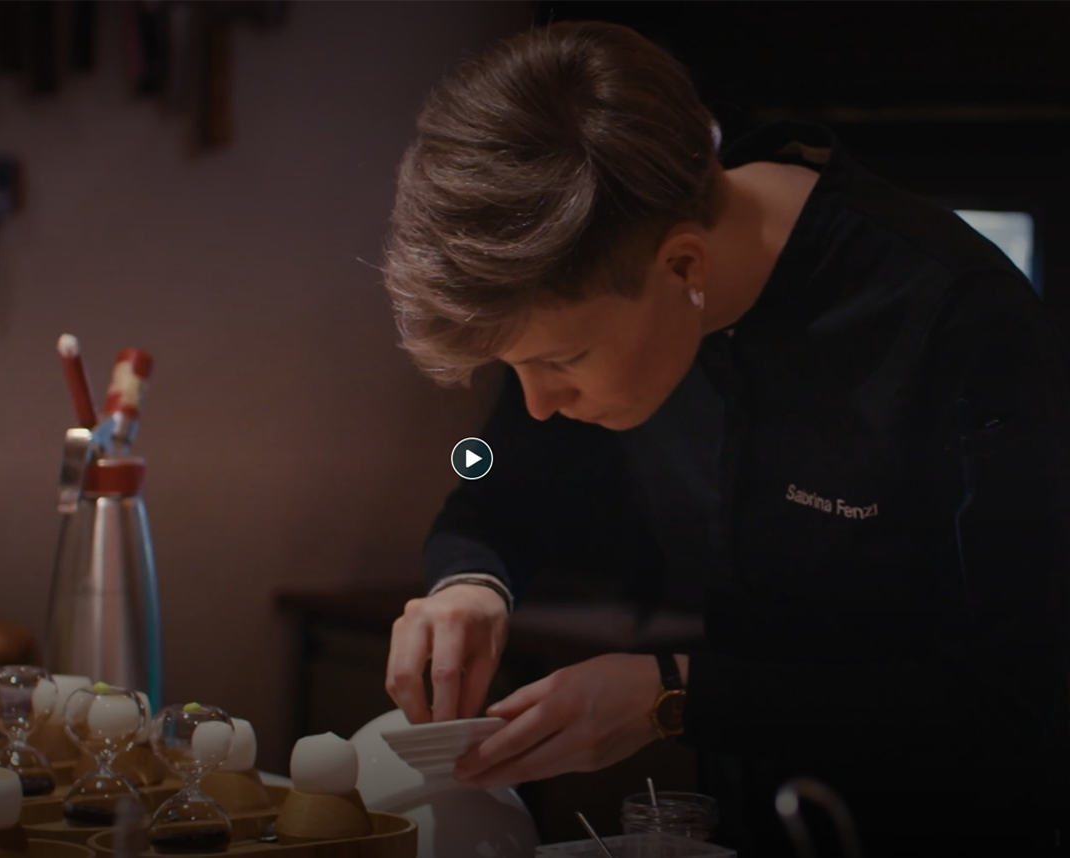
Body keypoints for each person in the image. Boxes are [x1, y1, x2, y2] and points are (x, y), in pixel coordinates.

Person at [380, 19, 1070, 857]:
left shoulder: (959, 318)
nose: (538, 402)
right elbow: (495, 485)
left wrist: (673, 695)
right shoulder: (605, 287)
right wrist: (468, 585)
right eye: (516, 366)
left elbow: (1008, 698)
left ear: (684, 268)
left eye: (561, 360)